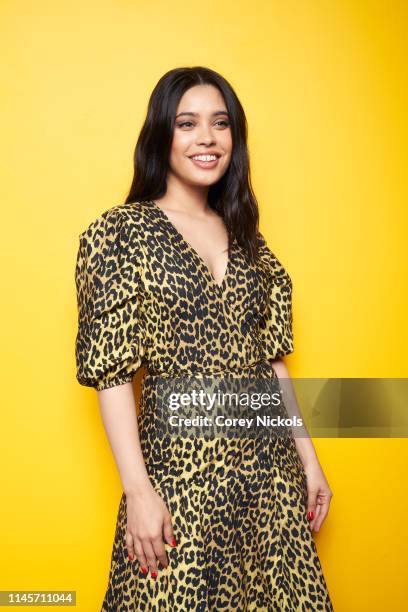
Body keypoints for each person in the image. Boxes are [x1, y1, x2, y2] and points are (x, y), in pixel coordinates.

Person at [74, 66, 334, 611]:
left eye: (220, 123)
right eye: (187, 123)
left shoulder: (250, 243)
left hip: (268, 481)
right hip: (180, 477)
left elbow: (271, 365)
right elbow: (111, 373)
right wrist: (139, 492)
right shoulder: (120, 233)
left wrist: (308, 461)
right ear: (160, 135)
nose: (207, 138)